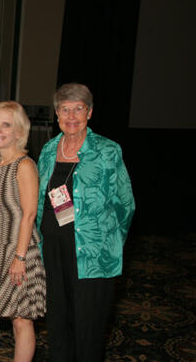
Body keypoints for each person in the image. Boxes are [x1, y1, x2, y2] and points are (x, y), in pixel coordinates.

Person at [36, 83, 135, 362]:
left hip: (92, 256)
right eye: (65, 109)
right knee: (58, 323)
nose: (71, 116)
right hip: (53, 251)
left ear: (89, 113)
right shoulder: (47, 150)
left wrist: (109, 244)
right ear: (56, 114)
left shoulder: (107, 150)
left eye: (78, 109)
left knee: (88, 327)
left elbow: (125, 204)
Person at [0, 102, 46, 362]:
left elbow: (29, 214)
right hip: (1, 248)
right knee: (13, 316)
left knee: (22, 320)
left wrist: (19, 258)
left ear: (20, 132)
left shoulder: (24, 165)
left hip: (21, 251)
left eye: (6, 125)